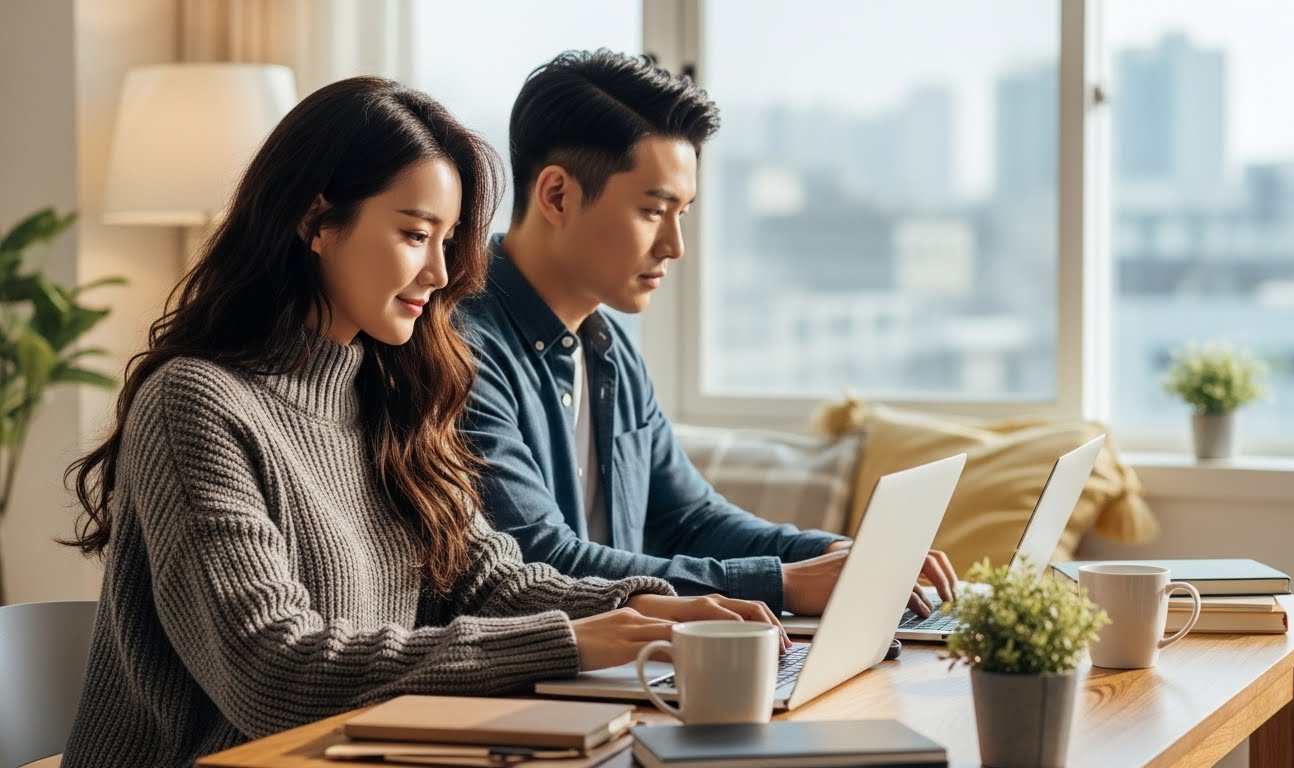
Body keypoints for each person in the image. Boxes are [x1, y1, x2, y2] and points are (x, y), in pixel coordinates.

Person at [59, 76, 780, 768]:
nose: (441, 273)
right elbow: (272, 669)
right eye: (415, 234)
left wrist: (649, 611)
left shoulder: (389, 392)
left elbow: (488, 582)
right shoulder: (197, 404)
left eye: (448, 240)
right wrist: (575, 643)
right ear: (315, 220)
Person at [461, 50, 956, 617]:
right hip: (527, 687)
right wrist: (783, 583)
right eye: (653, 211)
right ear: (557, 196)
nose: (675, 246)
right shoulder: (464, 349)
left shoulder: (609, 351)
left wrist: (831, 553)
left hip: (625, 666)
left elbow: (689, 519)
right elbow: (539, 562)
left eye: (684, 213)